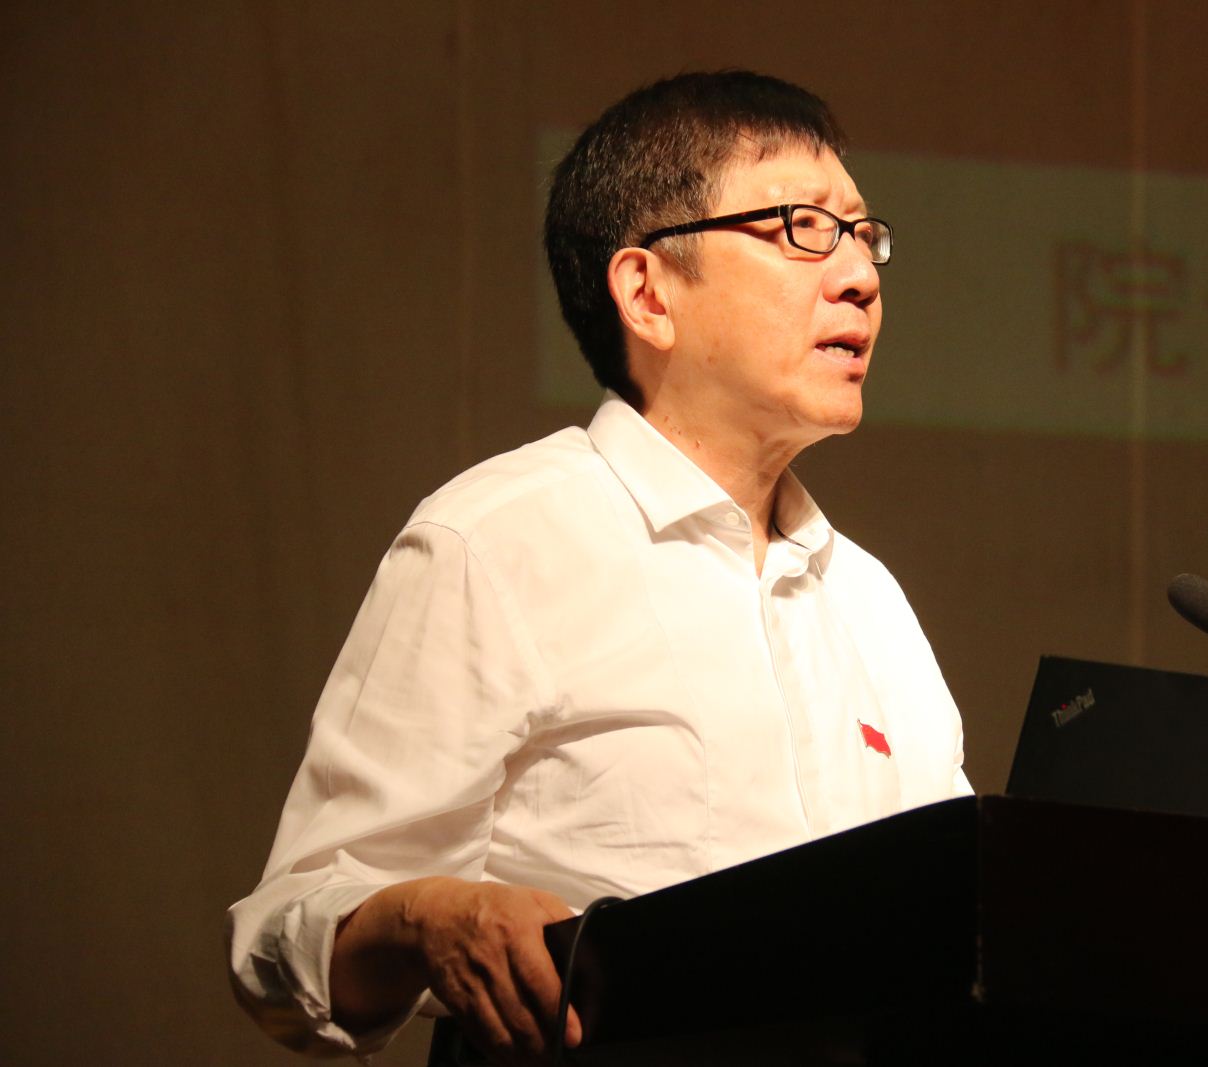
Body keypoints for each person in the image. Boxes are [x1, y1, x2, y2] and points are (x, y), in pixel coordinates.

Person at [227, 71, 971, 1065]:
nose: (859, 277)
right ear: (648, 292)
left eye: (863, 234)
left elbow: (958, 918)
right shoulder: (497, 541)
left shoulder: (868, 598)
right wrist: (429, 916)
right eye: (803, 228)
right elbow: (287, 933)